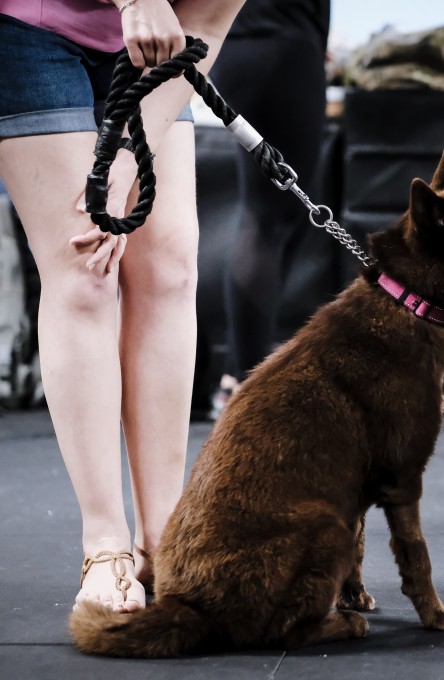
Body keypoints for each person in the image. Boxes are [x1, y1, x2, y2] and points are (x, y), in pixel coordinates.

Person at [0, 0, 244, 612]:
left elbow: (206, 25)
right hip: (26, 27)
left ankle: (164, 538)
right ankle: (104, 544)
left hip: (155, 46)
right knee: (85, 270)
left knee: (168, 270)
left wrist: (123, 160)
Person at [207, 0, 330, 418]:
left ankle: (236, 372)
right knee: (268, 218)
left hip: (242, 44)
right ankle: (244, 379)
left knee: (281, 215)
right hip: (282, 42)